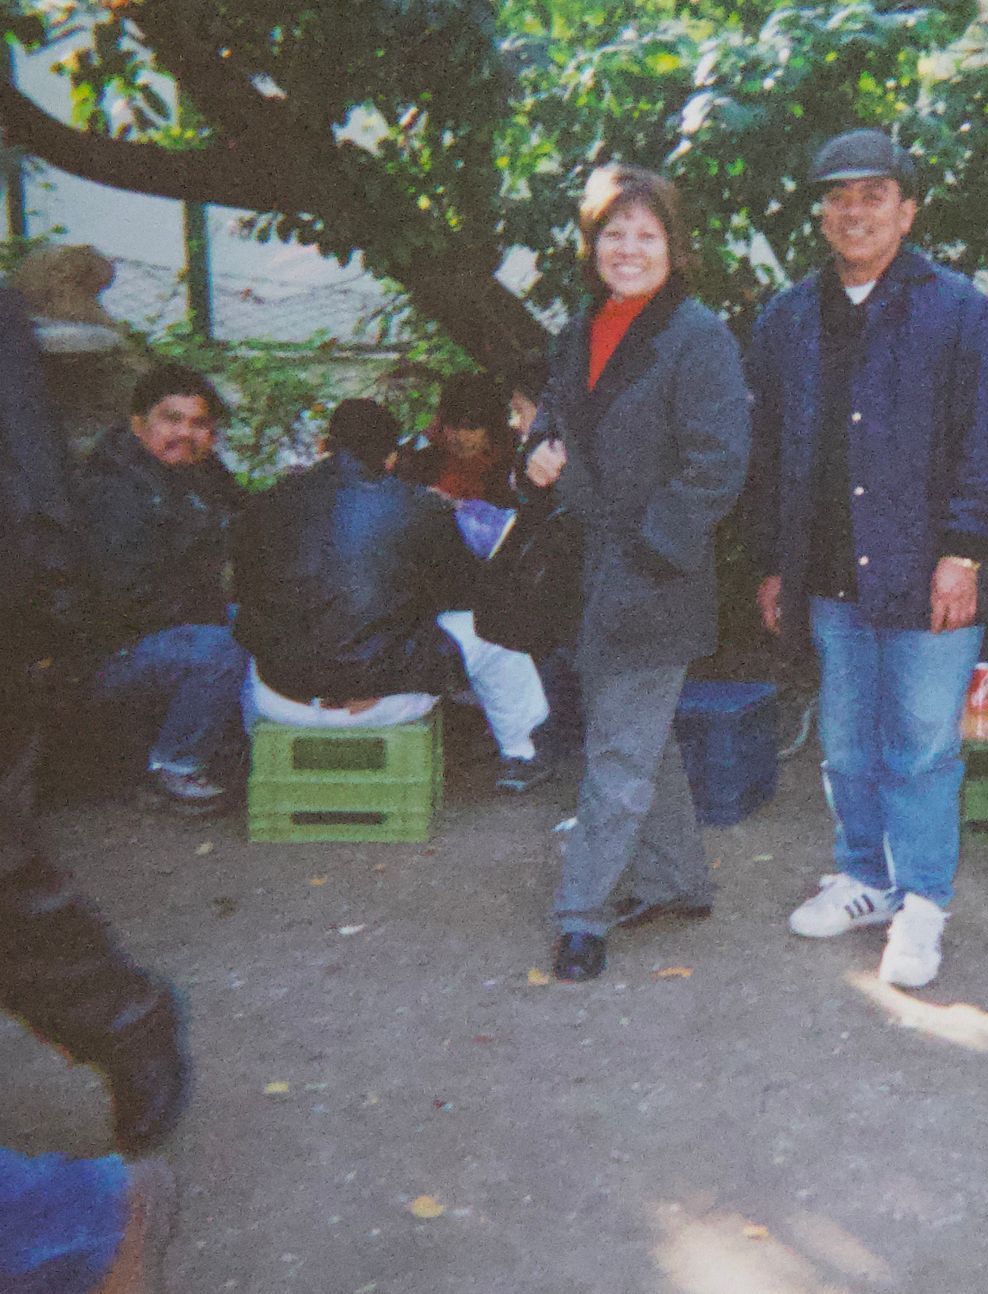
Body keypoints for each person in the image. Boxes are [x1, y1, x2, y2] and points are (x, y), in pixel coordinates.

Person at [747, 128, 988, 989]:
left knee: (923, 749)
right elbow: (768, 452)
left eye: (873, 195)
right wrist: (775, 564)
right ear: (822, 215)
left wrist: (964, 553)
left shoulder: (962, 312)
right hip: (828, 576)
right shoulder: (788, 318)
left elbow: (986, 445)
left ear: (908, 211)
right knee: (847, 745)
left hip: (929, 575)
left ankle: (923, 902)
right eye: (838, 197)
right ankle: (864, 877)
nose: (854, 212)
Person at [0, 284, 185, 1292]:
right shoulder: (131, 485)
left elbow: (35, 502)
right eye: (173, 421)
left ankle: (126, 1028)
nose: (188, 438)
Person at [524, 164, 751, 983]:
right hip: (586, 572)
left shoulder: (698, 336)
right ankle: (677, 881)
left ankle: (580, 916)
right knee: (636, 739)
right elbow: (552, 420)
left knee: (617, 752)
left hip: (655, 574)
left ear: (674, 246)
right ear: (591, 246)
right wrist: (535, 451)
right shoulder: (578, 331)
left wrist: (648, 552)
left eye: (646, 235)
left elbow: (719, 465)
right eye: (613, 233)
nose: (629, 248)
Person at [232, 399, 553, 794]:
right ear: (391, 457)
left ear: (324, 446)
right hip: (385, 701)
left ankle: (252, 756)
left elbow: (246, 598)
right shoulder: (419, 505)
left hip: (281, 701)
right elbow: (464, 593)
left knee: (254, 634)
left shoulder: (265, 503)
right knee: (495, 631)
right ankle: (522, 753)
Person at [75, 364, 249, 815]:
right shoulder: (114, 489)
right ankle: (174, 767)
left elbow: (249, 523)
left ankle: (241, 748)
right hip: (111, 653)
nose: (185, 433)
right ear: (139, 424)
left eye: (199, 423)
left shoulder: (201, 473)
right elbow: (125, 600)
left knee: (261, 624)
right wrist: (212, 611)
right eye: (172, 419)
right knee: (222, 646)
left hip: (175, 629)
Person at [397, 372, 517, 507]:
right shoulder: (423, 452)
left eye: (472, 428)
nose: (460, 437)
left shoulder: (512, 448)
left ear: (491, 426)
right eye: (453, 426)